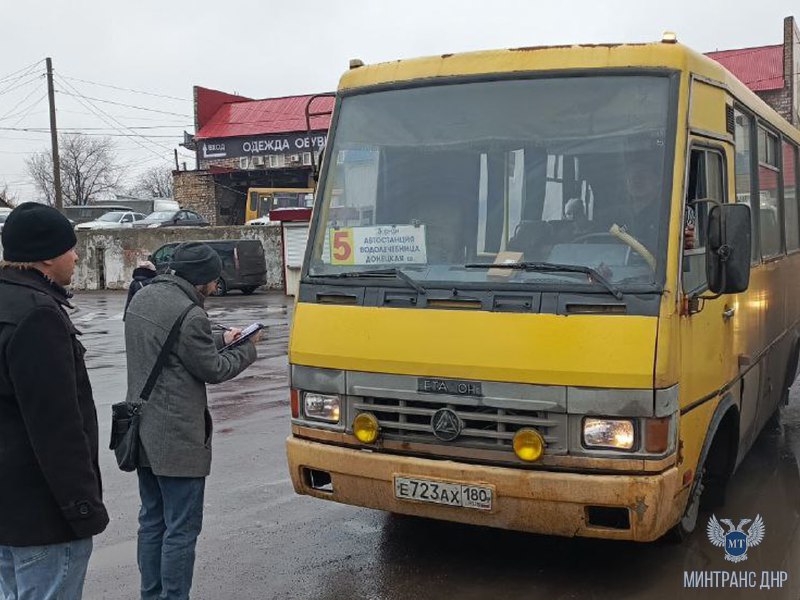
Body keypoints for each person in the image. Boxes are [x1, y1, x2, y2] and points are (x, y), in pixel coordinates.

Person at [124, 242, 260, 600]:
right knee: (181, 529)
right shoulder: (191, 314)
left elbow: (172, 341)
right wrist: (246, 347)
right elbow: (213, 369)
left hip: (142, 431)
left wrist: (221, 337)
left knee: (152, 521)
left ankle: (151, 595)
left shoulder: (142, 298)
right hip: (178, 438)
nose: (216, 287)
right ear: (201, 279)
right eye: (214, 281)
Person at [0, 203, 109, 600]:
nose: (76, 256)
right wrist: (82, 508)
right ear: (47, 255)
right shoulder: (38, 316)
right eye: (71, 248)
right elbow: (56, 428)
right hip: (43, 516)